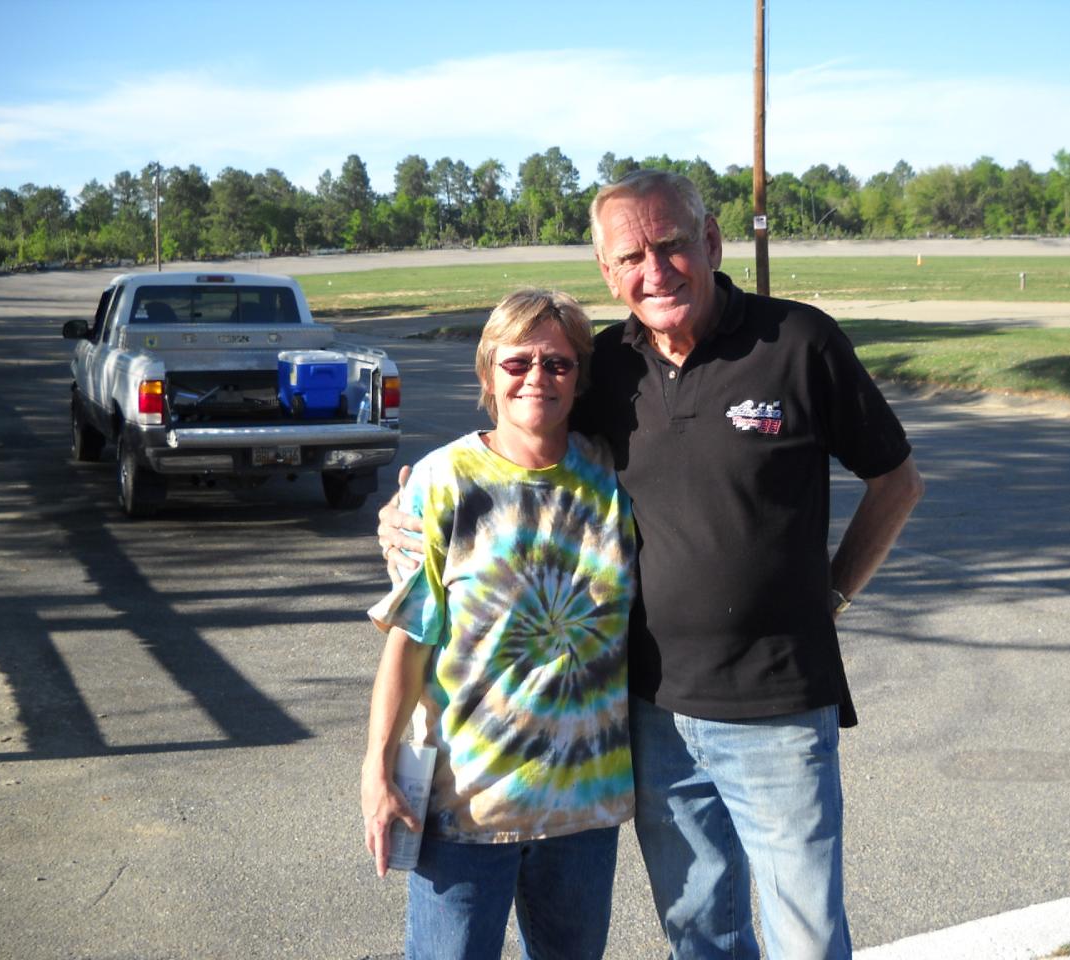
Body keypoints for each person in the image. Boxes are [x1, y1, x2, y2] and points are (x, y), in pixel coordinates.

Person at [380, 170, 924, 960]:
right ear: (608, 272)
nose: (655, 271)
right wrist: (408, 511)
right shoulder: (607, 368)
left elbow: (897, 481)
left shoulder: (800, 343)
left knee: (806, 938)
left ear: (712, 242)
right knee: (701, 932)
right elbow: (520, 444)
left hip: (778, 707)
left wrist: (833, 593)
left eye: (671, 246)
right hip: (653, 716)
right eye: (631, 257)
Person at [360, 289, 638, 960]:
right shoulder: (444, 481)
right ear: (489, 372)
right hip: (466, 810)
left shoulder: (615, 476)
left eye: (558, 363)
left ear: (579, 377)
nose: (537, 377)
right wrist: (377, 768)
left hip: (583, 810)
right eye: (517, 362)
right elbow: (410, 642)